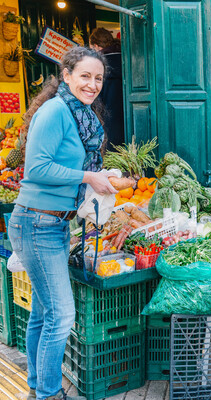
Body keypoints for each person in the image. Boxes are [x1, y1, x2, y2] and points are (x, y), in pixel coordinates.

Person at [8, 47, 118, 400]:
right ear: (66, 74)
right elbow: (36, 169)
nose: (92, 84)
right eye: (85, 76)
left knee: (43, 314)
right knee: (62, 317)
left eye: (98, 78)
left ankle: (38, 390)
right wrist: (88, 176)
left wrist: (98, 178)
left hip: (54, 224)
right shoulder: (55, 111)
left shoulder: (79, 114)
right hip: (36, 223)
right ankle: (50, 394)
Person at [89, 27, 124, 151]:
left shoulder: (99, 67)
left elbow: (96, 102)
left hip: (108, 124)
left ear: (96, 46)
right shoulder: (126, 59)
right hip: (130, 122)